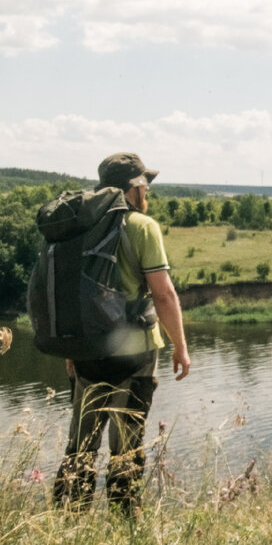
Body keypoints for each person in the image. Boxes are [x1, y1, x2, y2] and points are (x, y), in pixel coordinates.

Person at [52, 153, 191, 514]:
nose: (148, 193)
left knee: (81, 443)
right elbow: (163, 294)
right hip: (134, 352)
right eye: (145, 185)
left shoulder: (80, 226)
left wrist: (70, 345)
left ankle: (69, 520)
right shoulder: (142, 226)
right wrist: (181, 346)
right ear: (134, 189)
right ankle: (123, 524)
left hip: (85, 350)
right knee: (126, 447)